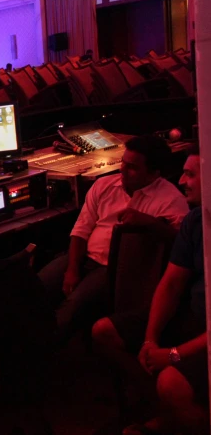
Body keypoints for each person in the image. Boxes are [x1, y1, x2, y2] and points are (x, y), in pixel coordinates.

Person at [92, 145, 207, 435]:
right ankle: (169, 414)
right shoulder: (195, 221)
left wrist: (172, 355)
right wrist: (149, 341)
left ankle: (173, 418)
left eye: (190, 174)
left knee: (170, 380)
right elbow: (170, 284)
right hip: (193, 315)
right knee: (103, 330)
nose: (181, 181)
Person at [39, 135, 188, 344]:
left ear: (154, 173)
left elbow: (184, 246)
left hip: (117, 270)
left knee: (72, 307)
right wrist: (72, 269)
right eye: (123, 163)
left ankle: (42, 354)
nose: (122, 171)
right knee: (35, 288)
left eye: (132, 167)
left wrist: (152, 224)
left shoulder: (171, 201)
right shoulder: (103, 185)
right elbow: (81, 231)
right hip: (84, 256)